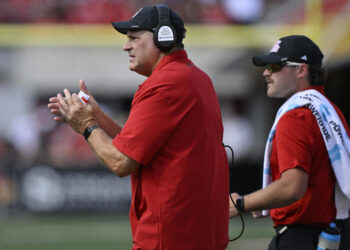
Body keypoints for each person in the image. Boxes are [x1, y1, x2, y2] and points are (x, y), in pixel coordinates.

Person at [48, 5, 229, 250]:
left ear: (163, 38)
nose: (126, 46)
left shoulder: (164, 84)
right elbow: (140, 146)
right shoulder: (196, 77)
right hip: (198, 233)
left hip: (170, 236)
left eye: (134, 38)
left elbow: (122, 162)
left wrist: (87, 126)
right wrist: (98, 116)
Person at [229, 35, 350, 250]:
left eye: (275, 66)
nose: (266, 72)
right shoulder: (330, 110)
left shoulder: (296, 117)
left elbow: (293, 187)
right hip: (334, 233)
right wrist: (264, 200)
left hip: (303, 237)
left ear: (301, 70)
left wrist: (241, 204)